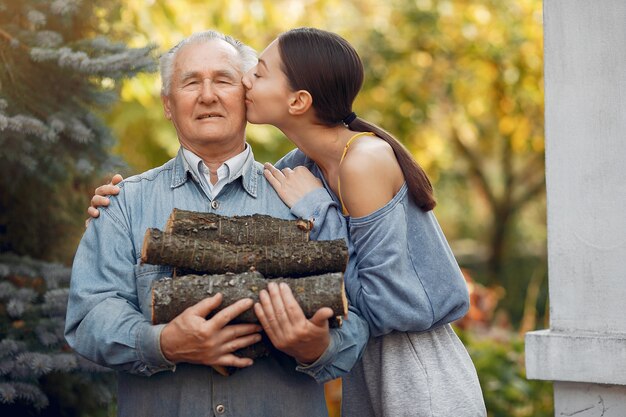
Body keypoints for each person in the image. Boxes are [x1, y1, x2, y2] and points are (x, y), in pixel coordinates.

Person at [89, 28, 486, 416]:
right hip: (367, 373)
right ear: (167, 103)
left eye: (256, 73)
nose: (243, 83)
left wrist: (317, 212)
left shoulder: (363, 161)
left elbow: (389, 307)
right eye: (192, 82)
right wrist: (120, 204)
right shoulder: (295, 171)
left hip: (412, 366)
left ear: (297, 101)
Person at [66, 30, 370, 417]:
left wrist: (318, 347)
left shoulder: (304, 197)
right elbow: (88, 316)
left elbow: (359, 315)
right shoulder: (123, 203)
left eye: (223, 80)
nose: (207, 95)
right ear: (167, 105)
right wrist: (161, 343)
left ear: (246, 96)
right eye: (190, 82)